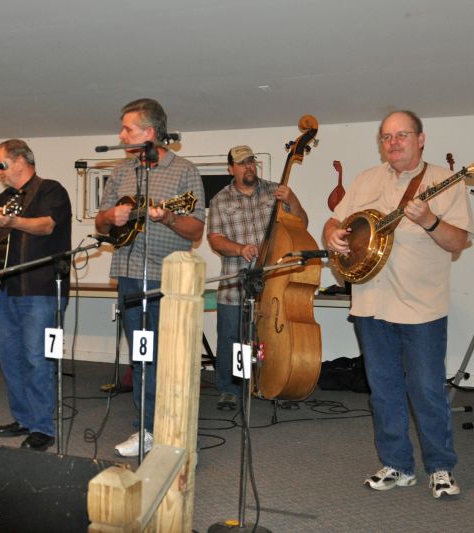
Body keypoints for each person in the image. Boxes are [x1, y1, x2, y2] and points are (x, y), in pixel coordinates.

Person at [324, 110, 474, 499]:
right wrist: (333, 236)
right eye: (387, 137)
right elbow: (335, 222)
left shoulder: (444, 181)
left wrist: (429, 221)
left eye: (402, 135)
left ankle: (440, 468)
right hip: (371, 305)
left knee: (426, 390)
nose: (393, 142)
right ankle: (398, 465)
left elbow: (459, 242)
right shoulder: (365, 179)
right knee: (384, 390)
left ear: (421, 139)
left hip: (421, 308)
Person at [95, 98, 205, 457]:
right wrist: (112, 216)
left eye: (127, 128)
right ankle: (146, 428)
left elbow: (196, 230)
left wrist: (168, 217)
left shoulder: (184, 171)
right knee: (141, 355)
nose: (121, 134)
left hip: (167, 280)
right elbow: (100, 223)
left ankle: (170, 428)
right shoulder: (121, 171)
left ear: (149, 133)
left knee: (167, 358)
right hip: (129, 276)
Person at [0, 139, 71, 451]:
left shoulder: (51, 190)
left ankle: (42, 427)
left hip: (41, 289)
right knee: (10, 358)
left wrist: (14, 222)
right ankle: (23, 418)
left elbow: (46, 226)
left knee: (37, 358)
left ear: (21, 161)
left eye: (2, 165)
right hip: (6, 289)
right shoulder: (3, 197)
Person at [207, 145, 307, 410]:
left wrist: (293, 200)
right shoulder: (220, 200)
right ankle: (230, 390)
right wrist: (240, 249)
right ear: (231, 169)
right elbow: (215, 239)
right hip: (235, 283)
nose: (248, 166)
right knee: (231, 338)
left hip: (272, 283)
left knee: (268, 339)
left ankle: (274, 384)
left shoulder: (277, 192)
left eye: (251, 161)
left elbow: (301, 225)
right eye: (242, 163)